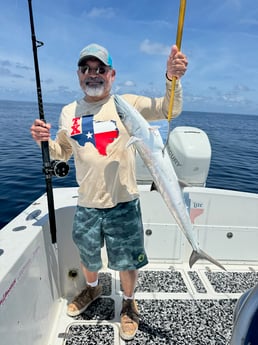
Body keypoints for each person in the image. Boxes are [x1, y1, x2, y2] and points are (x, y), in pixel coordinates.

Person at [30, 43, 188, 340]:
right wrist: (43, 142)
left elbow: (169, 109)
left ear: (112, 74)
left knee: (127, 261)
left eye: (100, 69)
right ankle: (93, 289)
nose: (93, 74)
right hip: (87, 203)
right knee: (88, 258)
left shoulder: (126, 104)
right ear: (78, 75)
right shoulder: (68, 112)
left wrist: (171, 79)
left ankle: (129, 303)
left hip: (124, 202)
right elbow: (62, 152)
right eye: (86, 69)